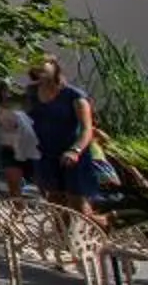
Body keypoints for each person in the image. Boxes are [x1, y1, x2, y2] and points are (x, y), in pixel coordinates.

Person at [24, 55, 103, 210]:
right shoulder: (31, 93)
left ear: (54, 66)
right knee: (55, 202)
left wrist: (75, 150)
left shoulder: (74, 96)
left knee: (78, 205)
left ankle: (103, 220)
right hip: (44, 154)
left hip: (71, 155)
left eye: (43, 62)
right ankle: (62, 228)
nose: (38, 66)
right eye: (34, 64)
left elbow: (87, 129)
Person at [0, 80, 40, 195]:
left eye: (10, 91)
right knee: (14, 187)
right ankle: (18, 207)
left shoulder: (27, 108)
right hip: (10, 152)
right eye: (4, 91)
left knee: (43, 187)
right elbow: (1, 130)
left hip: (31, 150)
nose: (8, 94)